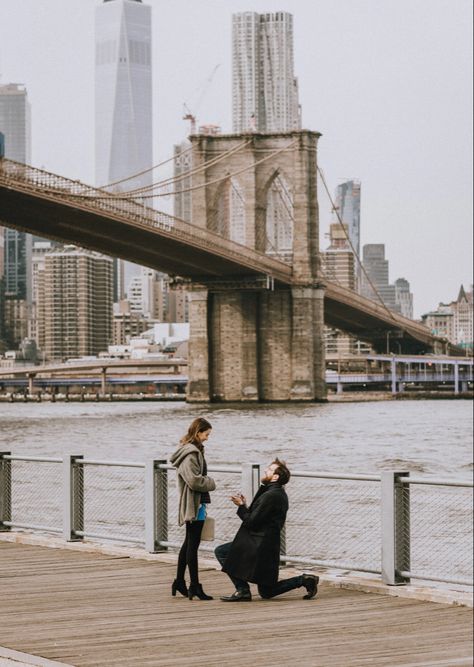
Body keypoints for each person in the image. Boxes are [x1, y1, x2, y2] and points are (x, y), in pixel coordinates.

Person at [215, 459, 318, 601]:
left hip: (259, 544)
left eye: (269, 470)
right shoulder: (275, 493)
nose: (265, 471)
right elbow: (258, 517)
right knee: (267, 591)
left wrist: (241, 506)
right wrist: (244, 505)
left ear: (275, 477)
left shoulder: (271, 495)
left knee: (221, 551)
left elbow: (251, 522)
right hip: (266, 543)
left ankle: (243, 590)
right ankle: (304, 580)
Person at [170, 417, 216, 600]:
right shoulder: (190, 454)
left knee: (189, 542)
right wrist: (211, 483)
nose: (207, 438)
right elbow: (194, 480)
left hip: (196, 502)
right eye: (206, 434)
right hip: (194, 503)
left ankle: (180, 581)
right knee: (193, 544)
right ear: (198, 433)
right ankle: (194, 586)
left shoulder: (192, 451)